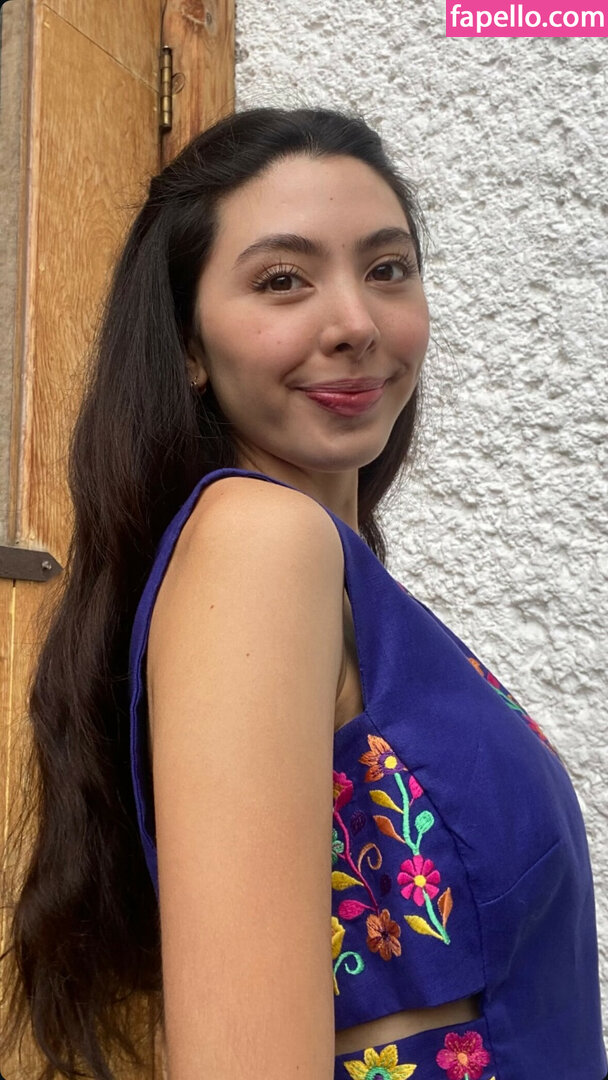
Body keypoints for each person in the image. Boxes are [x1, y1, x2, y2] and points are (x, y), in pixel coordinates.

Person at [0, 106, 605, 1080]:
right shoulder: (259, 543)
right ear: (188, 346)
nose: (355, 324)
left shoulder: (334, 575)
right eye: (283, 280)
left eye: (387, 268)